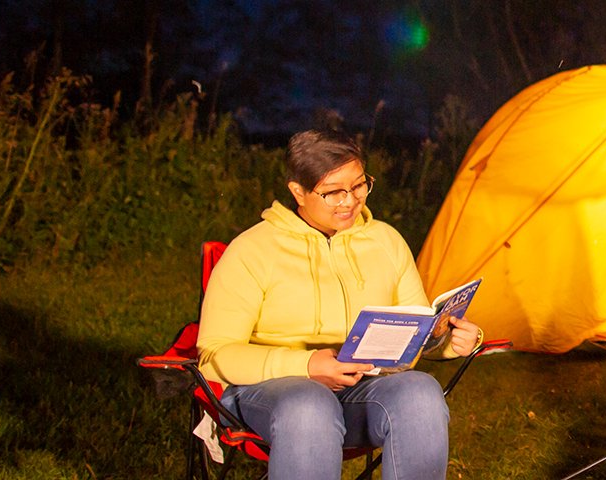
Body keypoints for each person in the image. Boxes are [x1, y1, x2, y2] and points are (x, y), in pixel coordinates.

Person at [196, 129, 482, 480]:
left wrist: (447, 340)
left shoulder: (386, 242)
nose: (349, 201)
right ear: (297, 191)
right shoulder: (253, 250)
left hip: (360, 388)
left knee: (420, 392)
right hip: (269, 392)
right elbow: (215, 354)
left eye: (359, 185)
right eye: (333, 192)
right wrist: (306, 365)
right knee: (309, 404)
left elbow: (415, 328)